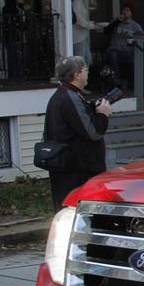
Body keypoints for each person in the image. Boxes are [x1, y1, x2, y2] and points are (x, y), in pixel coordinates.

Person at [44, 55, 112, 211]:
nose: (88, 74)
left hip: (68, 167)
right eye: (86, 70)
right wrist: (102, 114)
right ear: (77, 74)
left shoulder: (62, 95)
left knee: (68, 210)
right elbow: (93, 132)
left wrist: (92, 108)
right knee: (78, 211)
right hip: (77, 170)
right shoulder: (70, 97)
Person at [102, 3, 144, 88]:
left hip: (128, 52)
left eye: (127, 10)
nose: (124, 12)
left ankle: (133, 83)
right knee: (113, 55)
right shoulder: (115, 22)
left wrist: (134, 37)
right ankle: (117, 81)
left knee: (136, 59)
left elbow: (143, 38)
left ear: (131, 13)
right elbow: (106, 31)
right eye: (124, 10)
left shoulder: (135, 26)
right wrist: (117, 21)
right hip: (115, 51)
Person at [1, 0, 27, 79]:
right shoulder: (7, 9)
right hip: (13, 39)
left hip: (22, 38)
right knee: (14, 60)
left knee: (22, 60)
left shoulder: (21, 9)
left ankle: (21, 77)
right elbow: (11, 23)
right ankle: (14, 79)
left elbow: (24, 25)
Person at [72, 0, 100, 64]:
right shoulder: (77, 2)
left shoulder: (80, 1)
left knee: (87, 61)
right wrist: (92, 26)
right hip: (78, 38)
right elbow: (79, 21)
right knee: (82, 64)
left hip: (82, 37)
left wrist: (91, 23)